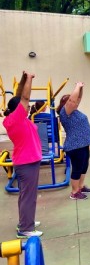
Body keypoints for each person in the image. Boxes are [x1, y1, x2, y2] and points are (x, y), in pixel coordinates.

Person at [3, 72, 43, 238]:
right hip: (26, 162)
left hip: (28, 161)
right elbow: (24, 98)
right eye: (24, 105)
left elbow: (20, 96)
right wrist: (29, 80)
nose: (27, 107)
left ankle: (25, 221)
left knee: (26, 195)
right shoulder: (16, 119)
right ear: (18, 108)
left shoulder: (18, 118)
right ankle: (25, 228)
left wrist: (23, 79)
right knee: (28, 197)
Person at [57, 82, 90, 200]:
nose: (75, 102)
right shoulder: (65, 113)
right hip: (75, 146)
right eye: (71, 101)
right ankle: (74, 192)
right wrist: (76, 86)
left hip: (83, 144)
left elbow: (77, 99)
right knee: (77, 168)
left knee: (84, 166)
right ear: (66, 104)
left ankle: (80, 187)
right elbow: (72, 101)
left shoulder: (74, 111)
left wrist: (81, 88)